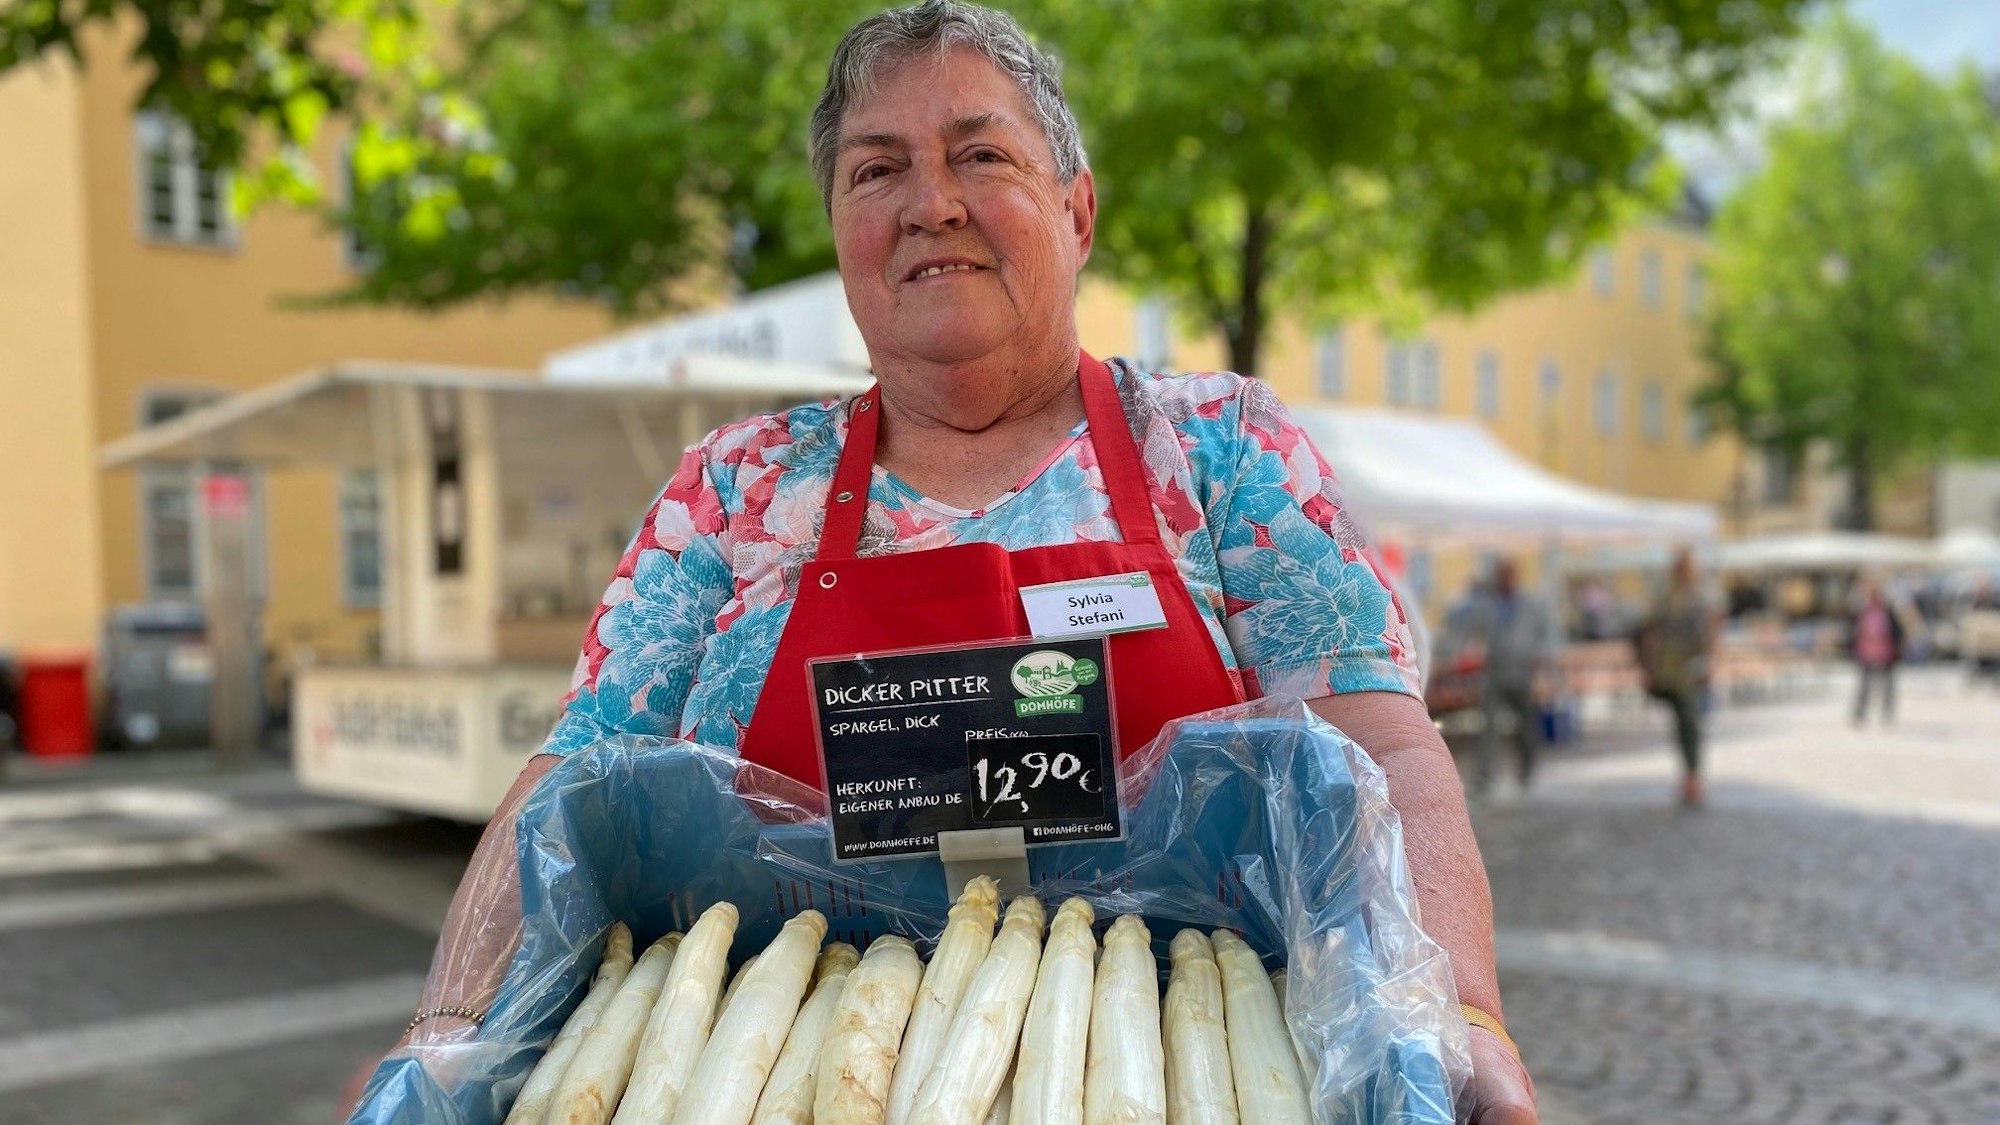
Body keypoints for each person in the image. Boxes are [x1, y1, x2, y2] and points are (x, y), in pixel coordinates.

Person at [371, 5, 1537, 1120]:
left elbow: (1379, 752)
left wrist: (1466, 1016)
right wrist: (444, 1041)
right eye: (876, 170)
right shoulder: (733, 491)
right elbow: (566, 788)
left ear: (1076, 211)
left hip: (1186, 1051)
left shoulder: (1222, 448)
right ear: (839, 232)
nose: (930, 204)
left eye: (980, 155)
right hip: (782, 1055)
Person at [1461, 558, 1556, 796]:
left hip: (1523, 673)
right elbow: (1473, 632)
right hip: (1495, 673)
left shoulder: (1529, 604)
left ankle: (1527, 770)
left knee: (1527, 727)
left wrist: (1542, 665)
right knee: (1489, 728)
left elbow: (1544, 635)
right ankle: (1485, 776)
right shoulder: (1488, 605)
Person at [1636, 548, 1717, 807]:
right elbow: (1652, 633)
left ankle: (1692, 775)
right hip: (1669, 667)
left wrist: (1710, 663)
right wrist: (1649, 668)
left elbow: (1711, 631)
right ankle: (1689, 772)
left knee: (1689, 720)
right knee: (1683, 722)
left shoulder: (1702, 596)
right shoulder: (1666, 597)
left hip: (1690, 666)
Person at [1849, 575, 1905, 725]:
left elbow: (1896, 631)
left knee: (1886, 685)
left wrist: (1897, 648)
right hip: (1866, 652)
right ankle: (1860, 712)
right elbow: (1856, 632)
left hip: (1885, 652)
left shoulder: (1887, 610)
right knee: (1865, 685)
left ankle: (1886, 712)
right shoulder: (1863, 611)